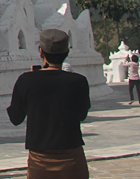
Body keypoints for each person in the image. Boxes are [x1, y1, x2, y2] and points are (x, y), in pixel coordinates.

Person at [7, 29, 90, 179]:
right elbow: (81, 115)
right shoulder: (78, 81)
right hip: (72, 157)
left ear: (41, 53)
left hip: (40, 159)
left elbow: (15, 118)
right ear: (66, 53)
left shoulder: (26, 81)